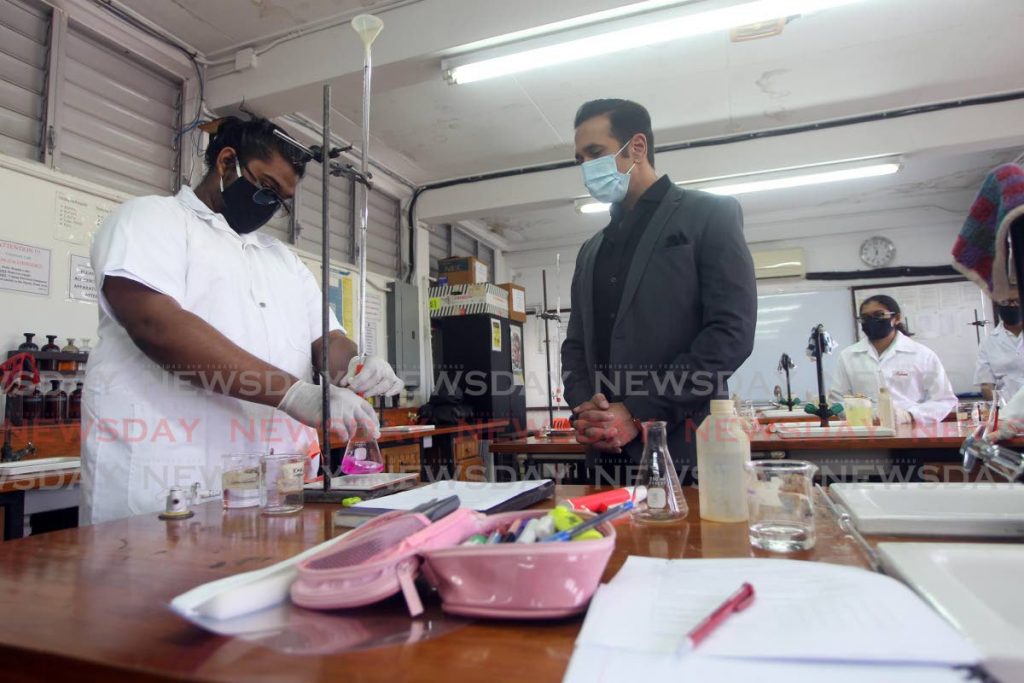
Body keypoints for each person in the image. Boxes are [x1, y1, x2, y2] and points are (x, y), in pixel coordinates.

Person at [83, 116, 402, 524]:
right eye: (267, 187)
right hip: (166, 480)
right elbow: (155, 325)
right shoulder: (150, 220)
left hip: (276, 487)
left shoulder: (283, 260)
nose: (272, 205)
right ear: (226, 161)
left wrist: (356, 367)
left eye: (282, 199)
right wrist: (294, 395)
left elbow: (327, 340)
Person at [561, 99, 757, 479]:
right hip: (604, 455)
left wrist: (638, 411)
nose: (586, 167)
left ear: (637, 147)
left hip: (685, 449)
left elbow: (730, 334)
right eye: (579, 159)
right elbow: (575, 346)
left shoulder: (709, 216)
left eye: (595, 153)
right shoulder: (591, 250)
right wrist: (588, 411)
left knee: (693, 540)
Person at [830, 294, 956, 423]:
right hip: (865, 432)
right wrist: (862, 415)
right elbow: (837, 401)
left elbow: (944, 400)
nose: (872, 321)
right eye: (865, 317)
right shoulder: (848, 356)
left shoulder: (922, 355)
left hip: (911, 431)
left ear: (896, 318)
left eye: (879, 315)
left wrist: (909, 415)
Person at [974, 302, 1024, 401]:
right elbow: (986, 384)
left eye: (1016, 301)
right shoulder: (987, 342)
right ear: (998, 305)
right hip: (1007, 409)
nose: (1013, 305)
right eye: (1007, 302)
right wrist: (997, 410)